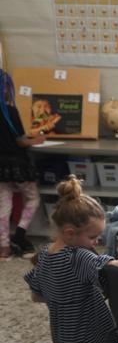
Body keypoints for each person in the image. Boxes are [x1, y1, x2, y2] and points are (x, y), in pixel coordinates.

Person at [24, 175, 118, 343]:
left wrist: (63, 294)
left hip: (64, 338)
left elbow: (36, 295)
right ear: (69, 233)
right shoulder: (77, 256)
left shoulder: (46, 253)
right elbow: (116, 267)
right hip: (92, 339)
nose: (96, 242)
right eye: (92, 237)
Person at [0, 68, 44, 261]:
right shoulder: (9, 110)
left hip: (1, 168)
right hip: (18, 166)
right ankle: (20, 234)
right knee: (33, 199)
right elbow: (20, 141)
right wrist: (37, 140)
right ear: (6, 89)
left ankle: (4, 248)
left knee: (4, 205)